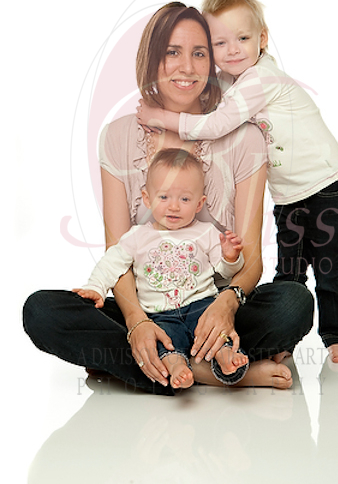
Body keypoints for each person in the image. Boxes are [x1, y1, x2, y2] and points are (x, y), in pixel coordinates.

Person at [23, 2, 314, 396]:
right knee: (42, 311)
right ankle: (215, 371)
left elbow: (250, 260)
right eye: (172, 52)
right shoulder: (117, 137)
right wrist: (137, 322)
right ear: (152, 59)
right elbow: (118, 251)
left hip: (213, 305)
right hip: (145, 307)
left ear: (213, 62)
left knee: (293, 303)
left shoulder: (245, 138)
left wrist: (227, 304)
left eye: (200, 53)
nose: (187, 67)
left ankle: (144, 366)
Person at [137, 0, 338, 364]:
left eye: (242, 38)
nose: (233, 50)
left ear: (262, 39)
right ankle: (284, 338)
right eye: (219, 43)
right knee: (289, 267)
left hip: (326, 183)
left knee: (327, 264)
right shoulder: (234, 79)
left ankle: (336, 337)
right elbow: (207, 88)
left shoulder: (260, 79)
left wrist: (163, 117)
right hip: (289, 193)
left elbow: (217, 124)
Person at [72, 148, 249, 389]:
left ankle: (225, 355)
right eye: (164, 197)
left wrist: (230, 257)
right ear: (147, 198)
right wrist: (96, 288)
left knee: (216, 332)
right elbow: (111, 263)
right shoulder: (137, 236)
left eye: (184, 199)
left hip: (202, 306)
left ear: (199, 203)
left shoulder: (206, 232)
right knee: (165, 341)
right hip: (159, 315)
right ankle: (177, 367)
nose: (173, 206)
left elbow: (225, 273)